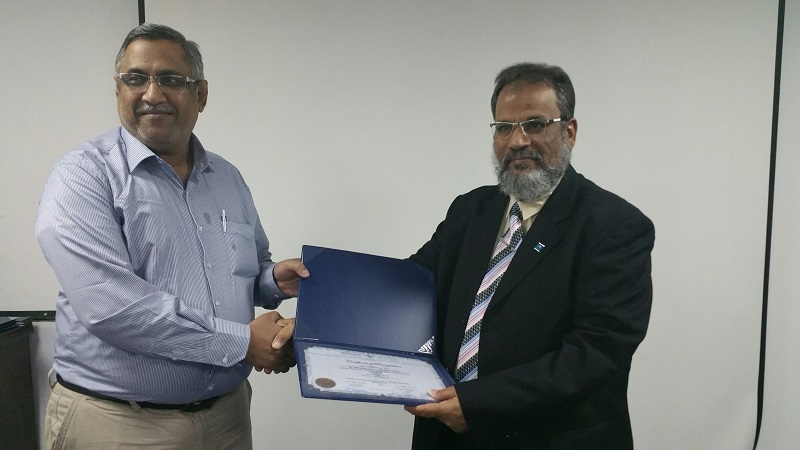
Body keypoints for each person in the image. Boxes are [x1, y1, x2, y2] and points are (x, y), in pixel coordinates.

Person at [35, 23, 306, 449]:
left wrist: (272, 279)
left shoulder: (226, 178)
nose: (152, 94)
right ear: (118, 90)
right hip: (120, 424)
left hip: (227, 417)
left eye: (171, 79)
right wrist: (242, 343)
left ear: (201, 94)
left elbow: (243, 271)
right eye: (136, 78)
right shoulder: (84, 176)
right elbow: (112, 309)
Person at [404, 62, 655, 449]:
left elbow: (595, 353)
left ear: (569, 131)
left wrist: (478, 403)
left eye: (535, 124)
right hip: (447, 436)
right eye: (504, 127)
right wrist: (319, 289)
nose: (517, 141)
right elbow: (407, 287)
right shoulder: (470, 211)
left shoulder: (615, 226)